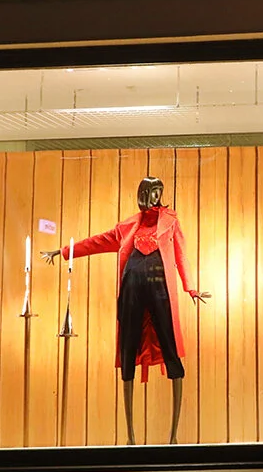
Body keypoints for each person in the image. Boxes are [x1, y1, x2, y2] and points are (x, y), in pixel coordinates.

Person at [42, 176, 209, 445]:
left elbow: (181, 256)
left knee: (170, 349)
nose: (156, 197)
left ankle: (174, 436)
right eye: (152, 192)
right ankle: (130, 437)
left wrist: (191, 288)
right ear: (143, 194)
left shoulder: (171, 223)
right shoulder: (127, 226)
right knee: (128, 348)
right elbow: (96, 242)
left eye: (159, 192)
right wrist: (63, 251)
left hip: (160, 290)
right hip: (132, 288)